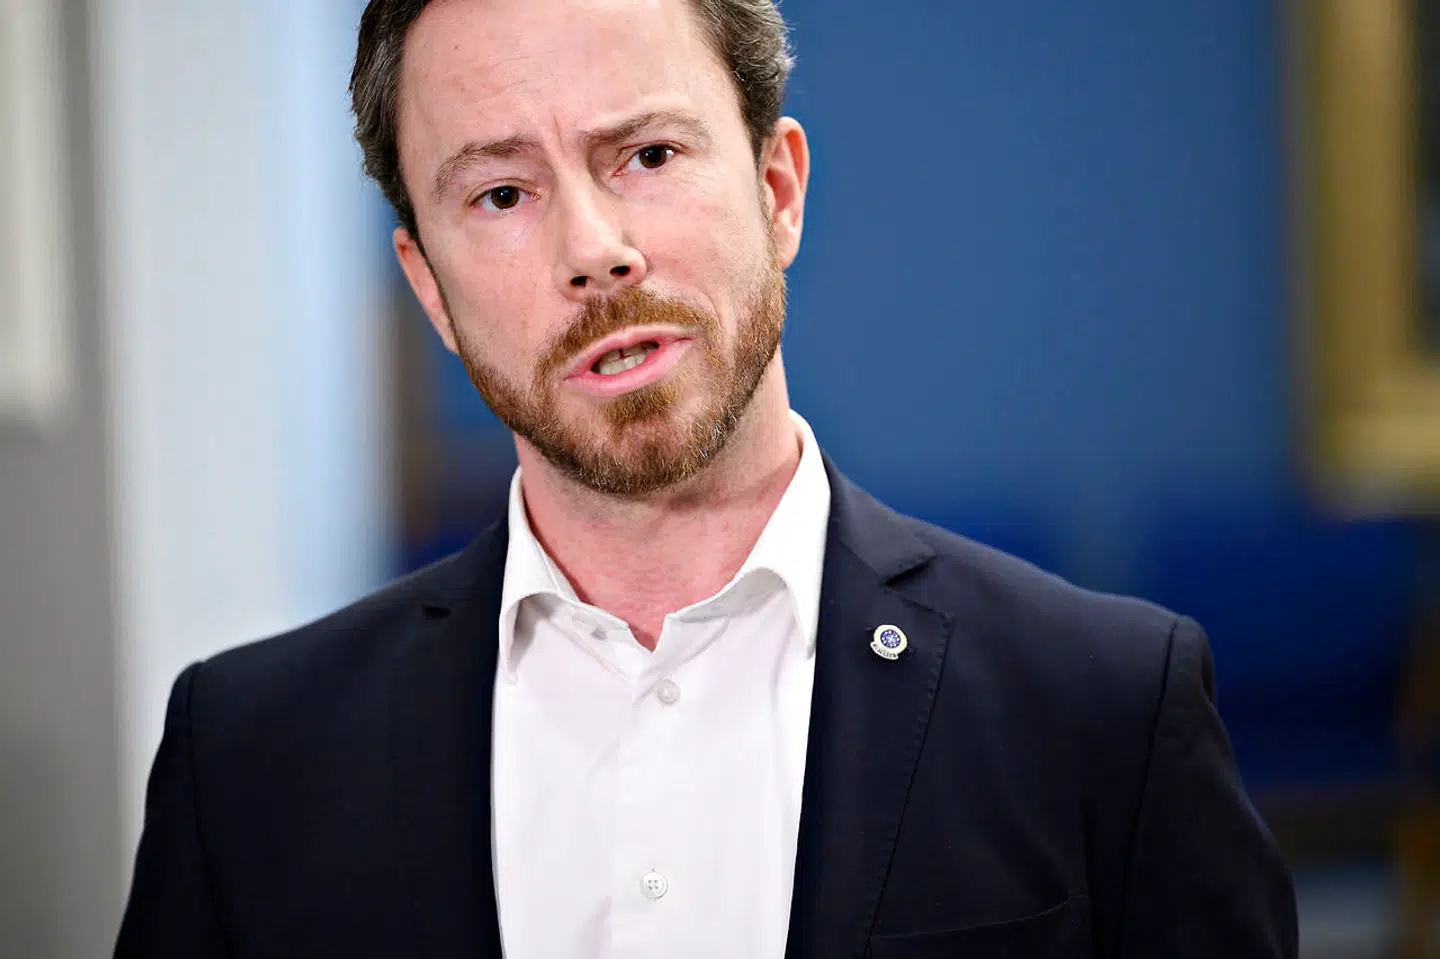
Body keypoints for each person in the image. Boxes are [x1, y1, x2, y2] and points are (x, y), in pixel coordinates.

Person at [115, 0, 1298, 955]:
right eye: (502, 193)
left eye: (647, 153)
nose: (593, 250)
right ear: (429, 288)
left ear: (777, 190)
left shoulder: (1103, 708)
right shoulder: (248, 758)